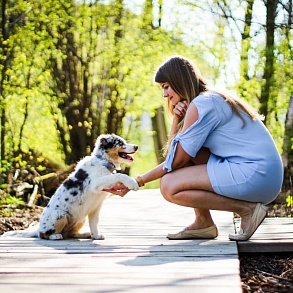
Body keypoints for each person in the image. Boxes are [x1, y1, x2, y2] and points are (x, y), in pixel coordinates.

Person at [105, 55, 283, 241]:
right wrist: (176, 120)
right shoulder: (209, 99)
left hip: (256, 174)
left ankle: (247, 210)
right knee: (190, 156)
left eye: (166, 87)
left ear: (178, 80)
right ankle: (203, 222)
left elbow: (174, 162)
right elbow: (176, 156)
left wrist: (136, 181)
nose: (165, 95)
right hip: (263, 174)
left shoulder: (202, 104)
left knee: (169, 186)